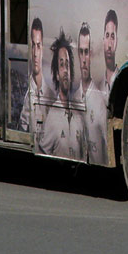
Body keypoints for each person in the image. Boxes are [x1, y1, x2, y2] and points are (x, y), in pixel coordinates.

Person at [39, 30, 87, 160]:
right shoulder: (52, 118)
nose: (65, 70)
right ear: (56, 75)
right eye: (61, 65)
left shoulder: (79, 117)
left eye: (67, 65)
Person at [76, 22, 108, 164]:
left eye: (86, 52)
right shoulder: (73, 96)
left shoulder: (99, 101)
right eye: (81, 52)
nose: (83, 59)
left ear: (91, 55)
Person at [17, 18, 47, 139]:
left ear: (42, 49)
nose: (35, 53)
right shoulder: (23, 90)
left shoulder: (50, 92)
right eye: (33, 46)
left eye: (38, 46)